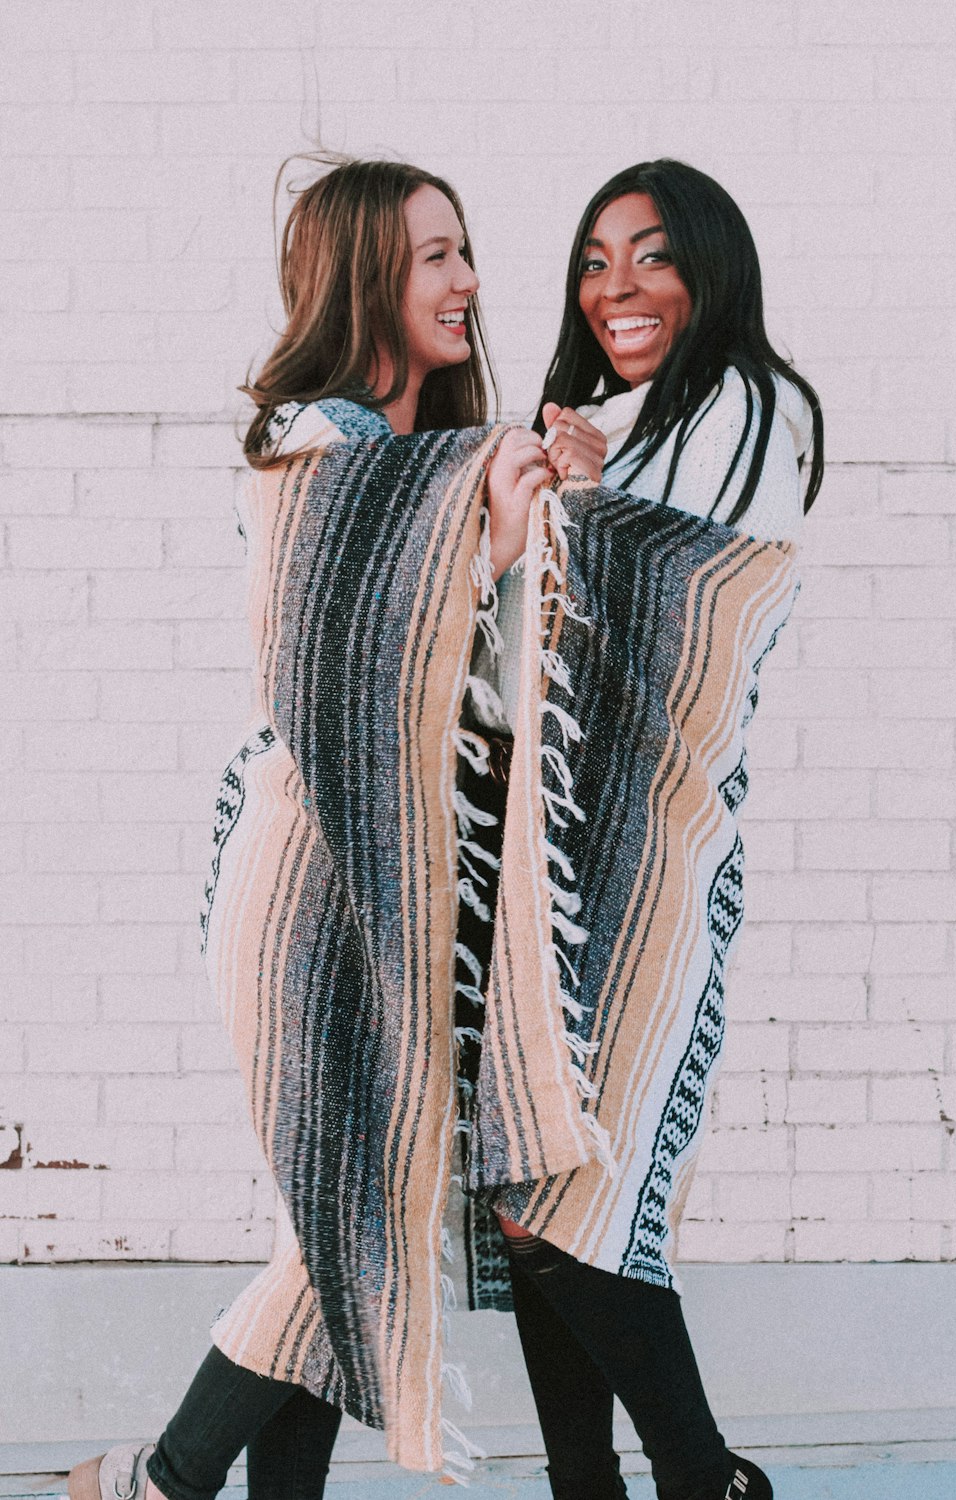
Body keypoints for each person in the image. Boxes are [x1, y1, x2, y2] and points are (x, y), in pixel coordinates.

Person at [66, 155, 569, 1500]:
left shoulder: (417, 467)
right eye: (433, 257)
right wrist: (491, 541)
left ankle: (184, 1488)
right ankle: (160, 1482)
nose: (466, 281)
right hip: (310, 881)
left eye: (466, 251)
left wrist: (525, 532)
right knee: (349, 1222)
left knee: (347, 1220)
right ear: (365, 278)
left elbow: (488, 699)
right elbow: (329, 673)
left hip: (403, 881)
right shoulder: (314, 444)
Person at [476, 159, 823, 1500]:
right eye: (595, 261)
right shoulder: (595, 425)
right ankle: (588, 1484)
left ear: (712, 268)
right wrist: (547, 495)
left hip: (650, 855)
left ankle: (700, 1477)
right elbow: (509, 638)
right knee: (530, 1189)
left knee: (579, 1198)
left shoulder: (749, 402)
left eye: (653, 256)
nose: (617, 288)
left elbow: (685, 597)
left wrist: (573, 497)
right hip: (539, 850)